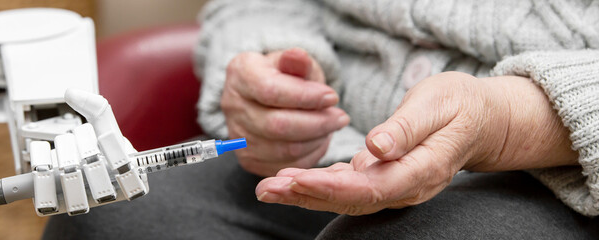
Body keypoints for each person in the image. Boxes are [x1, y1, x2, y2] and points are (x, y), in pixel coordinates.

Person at [43, 0, 599, 239]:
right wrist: (269, 71)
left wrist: (509, 121)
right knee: (117, 222)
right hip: (339, 139)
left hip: (564, 167)